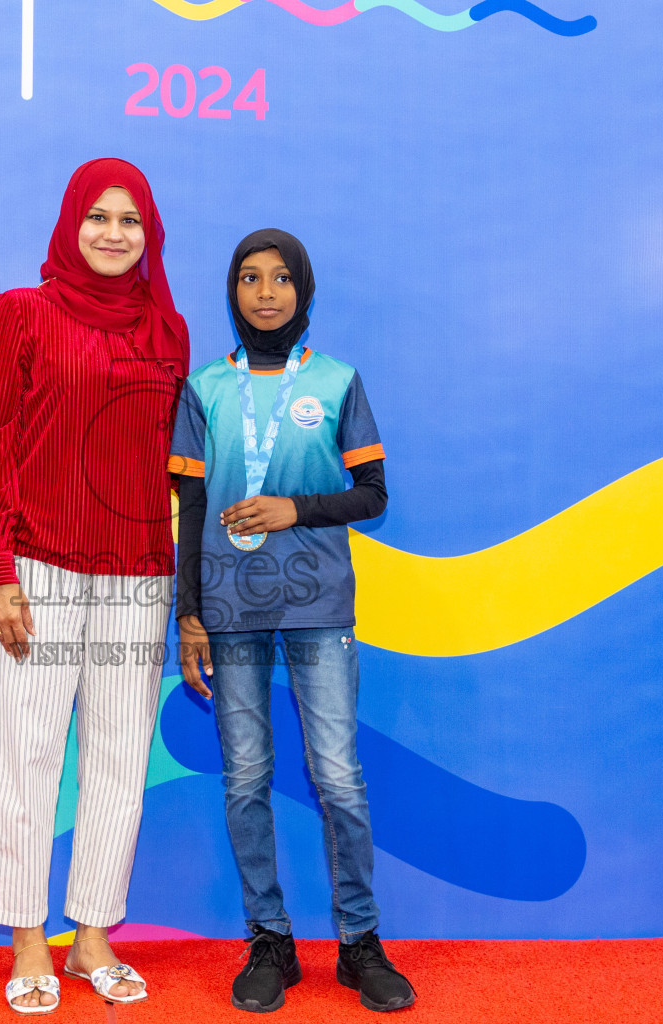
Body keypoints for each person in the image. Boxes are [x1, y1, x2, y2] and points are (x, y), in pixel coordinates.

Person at [0, 158, 188, 1014]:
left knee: (121, 759)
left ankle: (92, 936)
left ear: (150, 233)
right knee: (24, 758)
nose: (114, 234)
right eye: (99, 216)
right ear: (70, 222)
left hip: (136, 576)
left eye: (131, 220)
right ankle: (27, 940)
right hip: (39, 572)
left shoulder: (170, 331)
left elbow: (171, 465)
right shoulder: (20, 313)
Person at [169, 229, 415, 1013]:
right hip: (230, 608)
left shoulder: (338, 382)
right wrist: (190, 613)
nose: (266, 292)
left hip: (318, 608)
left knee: (339, 778)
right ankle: (269, 940)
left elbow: (373, 494)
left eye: (281, 278)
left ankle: (358, 941)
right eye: (250, 277)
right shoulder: (205, 387)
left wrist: (295, 509)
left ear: (302, 290)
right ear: (232, 292)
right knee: (246, 778)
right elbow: (194, 507)